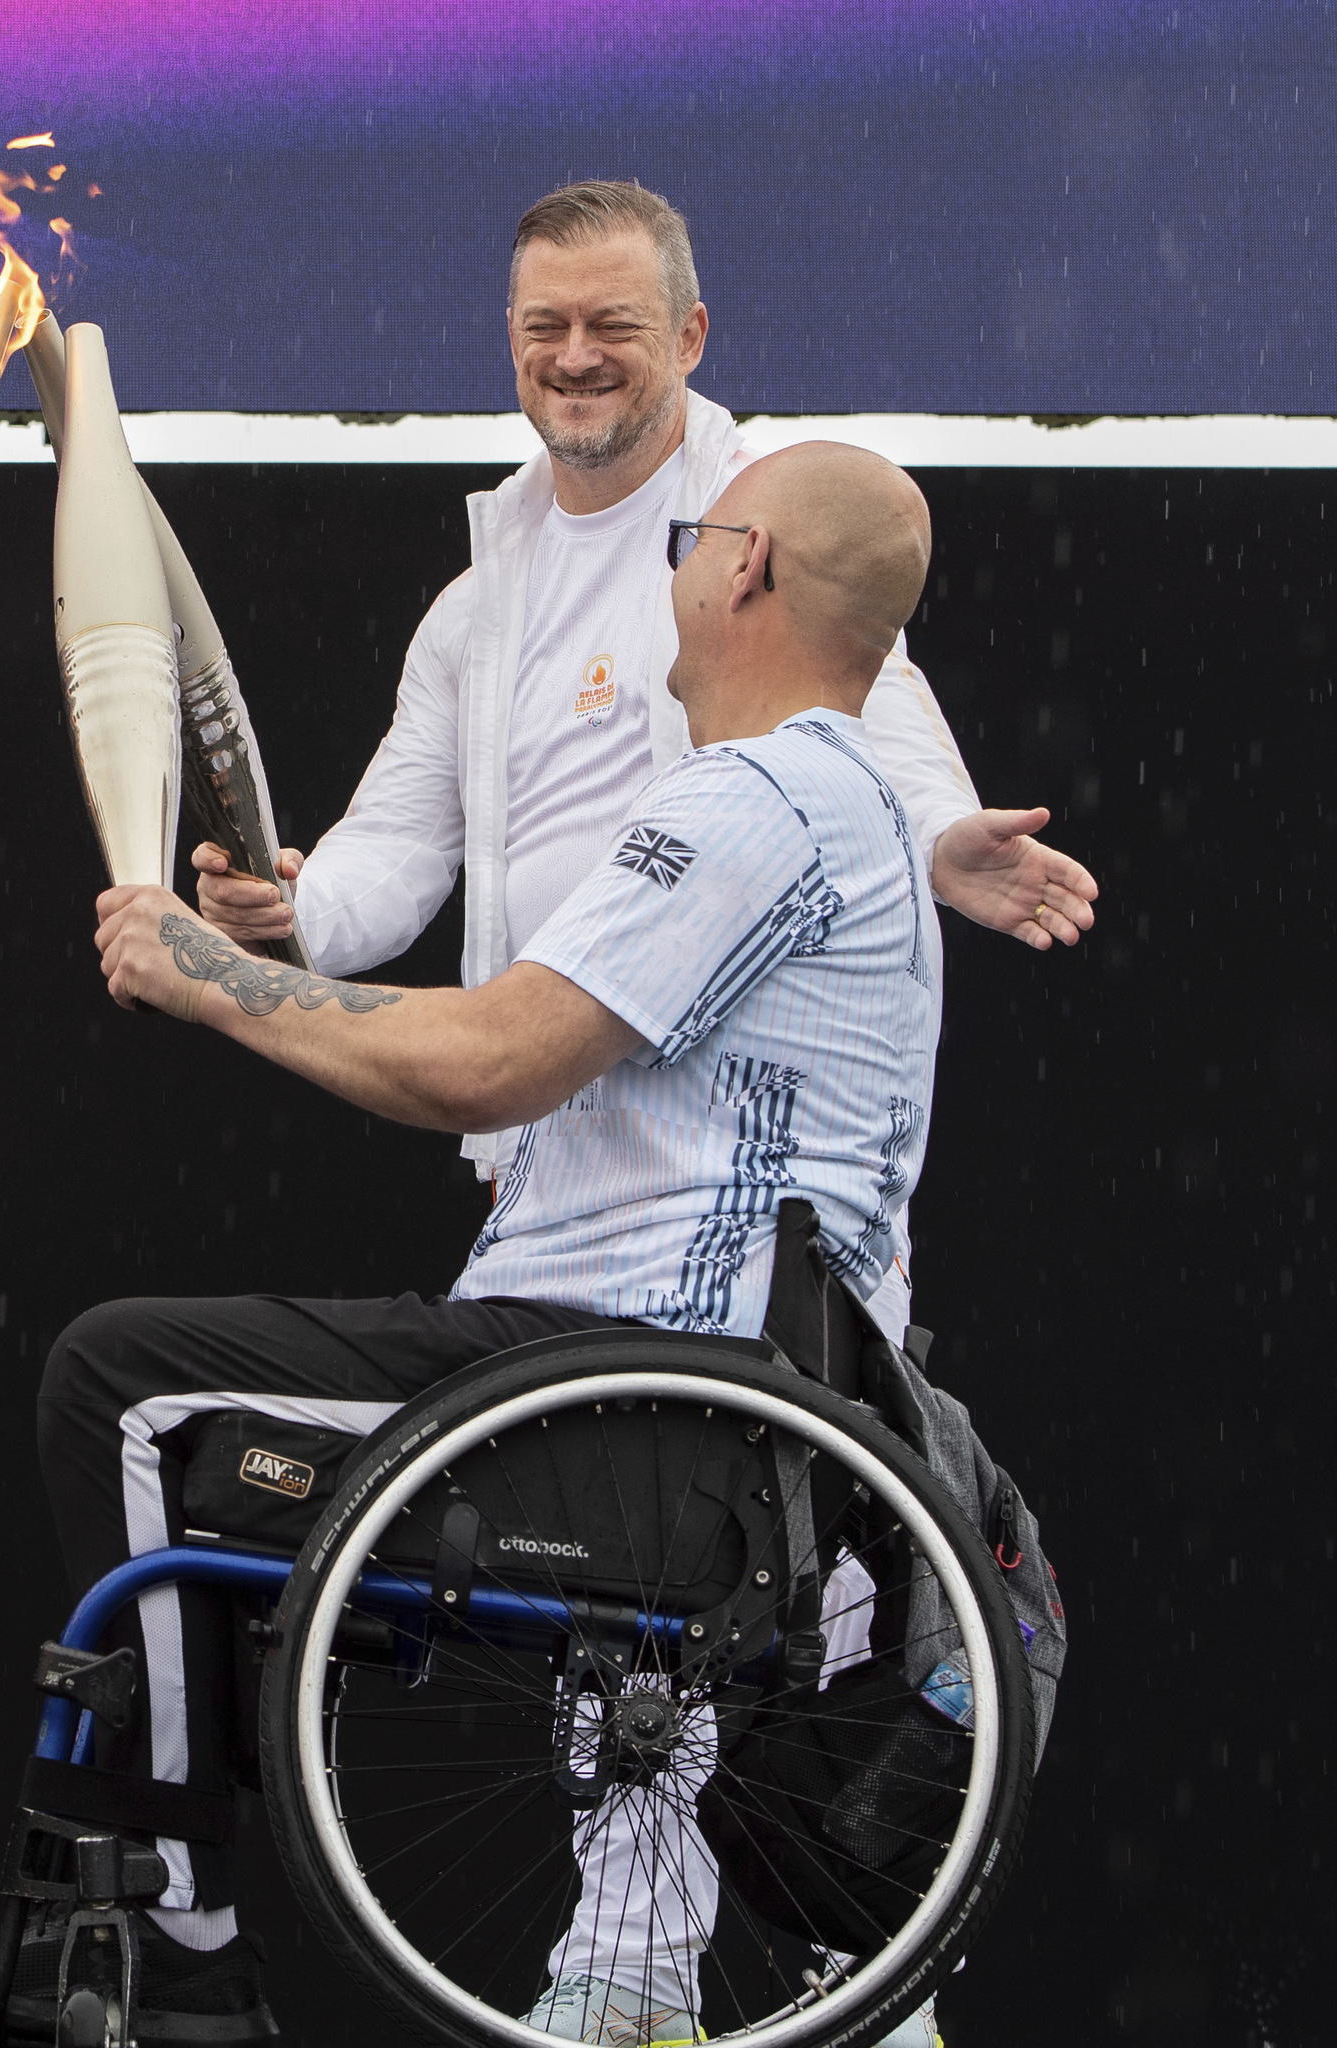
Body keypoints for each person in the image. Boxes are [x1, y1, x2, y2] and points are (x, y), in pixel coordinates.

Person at [0, 444, 959, 2045]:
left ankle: (179, 1942)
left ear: (740, 567)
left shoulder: (761, 798)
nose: (666, 566)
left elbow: (488, 1058)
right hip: (714, 1414)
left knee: (124, 1390)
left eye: (687, 541)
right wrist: (292, 933)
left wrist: (203, 982)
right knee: (216, 1467)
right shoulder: (830, 800)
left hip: (632, 1404)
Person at [196, 177, 1094, 1321]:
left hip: (735, 1167)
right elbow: (397, 845)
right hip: (549, 1160)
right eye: (545, 327)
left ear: (690, 334)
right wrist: (294, 909)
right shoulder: (473, 608)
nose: (576, 356)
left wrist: (939, 832)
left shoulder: (758, 527)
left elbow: (869, 684)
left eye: (612, 324)